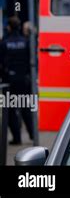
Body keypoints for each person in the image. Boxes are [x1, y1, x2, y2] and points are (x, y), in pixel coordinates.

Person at [0, 16, 34, 145]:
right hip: (24, 81)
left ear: (9, 27)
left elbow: (1, 63)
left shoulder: (4, 43)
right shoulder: (25, 42)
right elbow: (31, 61)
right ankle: (32, 134)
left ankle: (17, 138)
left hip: (10, 82)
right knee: (26, 108)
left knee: (11, 110)